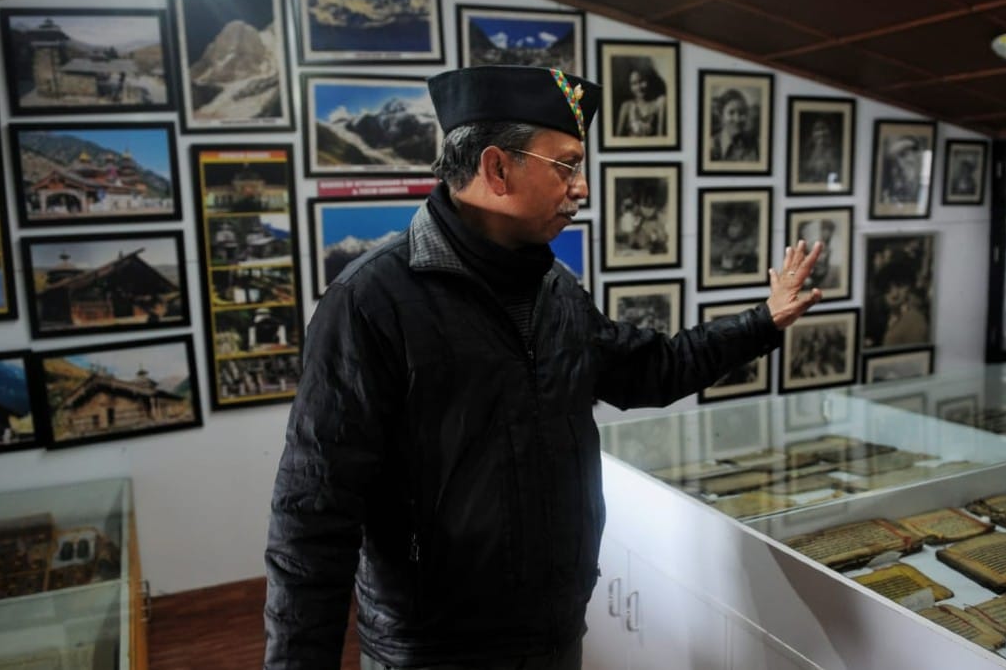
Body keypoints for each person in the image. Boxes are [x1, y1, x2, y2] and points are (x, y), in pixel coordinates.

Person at [263, 64, 823, 670]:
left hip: (555, 630)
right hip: (434, 650)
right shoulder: (372, 302)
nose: (581, 188)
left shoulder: (554, 289)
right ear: (497, 168)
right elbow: (313, 516)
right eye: (567, 165)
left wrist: (761, 322)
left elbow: (651, 370)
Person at [614, 59, 667, 138]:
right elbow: (616, 140)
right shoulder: (626, 106)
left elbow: (662, 138)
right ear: (630, 87)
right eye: (634, 83)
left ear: (649, 80)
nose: (639, 87)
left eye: (642, 81)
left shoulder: (659, 103)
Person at [709, 88, 757, 162]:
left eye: (741, 113)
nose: (737, 119)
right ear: (721, 115)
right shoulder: (710, 145)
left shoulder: (754, 146)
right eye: (731, 113)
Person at [799, 115, 839, 184]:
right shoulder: (806, 153)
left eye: (824, 128)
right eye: (817, 129)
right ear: (812, 133)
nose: (821, 133)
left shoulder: (835, 152)